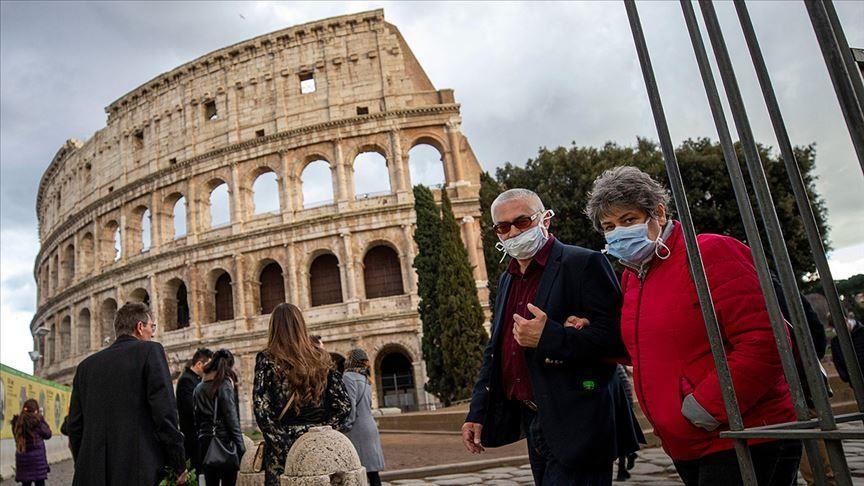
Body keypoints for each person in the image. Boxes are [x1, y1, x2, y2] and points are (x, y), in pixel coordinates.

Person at [582, 166, 800, 486]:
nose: (617, 232)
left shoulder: (709, 252)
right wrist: (583, 332)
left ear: (658, 212)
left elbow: (767, 340)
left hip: (743, 434)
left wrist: (706, 408)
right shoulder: (634, 276)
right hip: (687, 443)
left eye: (628, 220)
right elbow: (646, 347)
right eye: (608, 226)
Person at [462, 188, 626, 485]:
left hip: (579, 419)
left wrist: (550, 336)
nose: (512, 232)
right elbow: (495, 351)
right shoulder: (507, 279)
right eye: (503, 226)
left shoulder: (583, 263)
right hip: (534, 418)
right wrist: (478, 411)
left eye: (522, 222)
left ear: (545, 220)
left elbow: (618, 339)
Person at [67, 301, 187, 485]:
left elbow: (75, 426)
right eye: (151, 327)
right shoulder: (150, 351)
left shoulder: (85, 367)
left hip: (90, 472)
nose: (152, 332)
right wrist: (178, 463)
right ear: (140, 327)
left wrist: (83, 463)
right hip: (137, 470)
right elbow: (165, 413)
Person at [253, 303, 351, 486]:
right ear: (301, 325)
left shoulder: (267, 359)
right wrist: (322, 433)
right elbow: (344, 405)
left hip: (282, 453)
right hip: (320, 449)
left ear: (274, 327)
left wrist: (285, 445)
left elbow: (262, 409)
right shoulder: (320, 357)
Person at [193, 349, 245, 486]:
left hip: (206, 443)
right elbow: (231, 418)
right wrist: (241, 447)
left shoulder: (198, 387)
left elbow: (197, 420)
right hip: (224, 442)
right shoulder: (224, 384)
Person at [342, 348, 385, 486]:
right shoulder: (365, 378)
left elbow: (351, 406)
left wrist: (345, 426)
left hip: (358, 429)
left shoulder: (348, 377)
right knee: (372, 472)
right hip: (370, 426)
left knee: (356, 471)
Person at [177, 347, 213, 477]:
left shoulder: (195, 379)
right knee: (199, 474)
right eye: (208, 365)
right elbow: (191, 408)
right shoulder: (186, 380)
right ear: (199, 364)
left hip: (199, 435)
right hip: (193, 436)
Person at [11, 399, 51, 486]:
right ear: (36, 410)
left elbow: (16, 437)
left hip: (23, 460)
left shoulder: (17, 422)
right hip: (37, 462)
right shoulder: (38, 422)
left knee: (25, 483)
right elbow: (48, 434)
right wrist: (42, 419)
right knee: (40, 483)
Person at [830, 312, 864, 386]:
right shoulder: (836, 342)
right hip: (857, 383)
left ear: (846, 320)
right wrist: (848, 377)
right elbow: (837, 361)